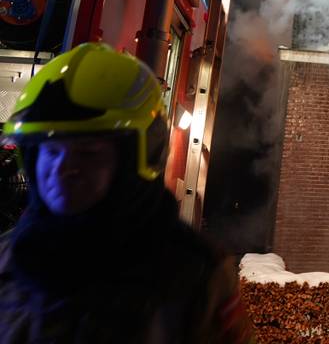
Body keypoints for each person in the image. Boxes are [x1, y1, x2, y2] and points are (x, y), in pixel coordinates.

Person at [0, 42, 255, 343]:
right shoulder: (7, 257)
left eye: (88, 153)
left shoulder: (196, 277)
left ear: (139, 159)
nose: (63, 169)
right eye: (51, 151)